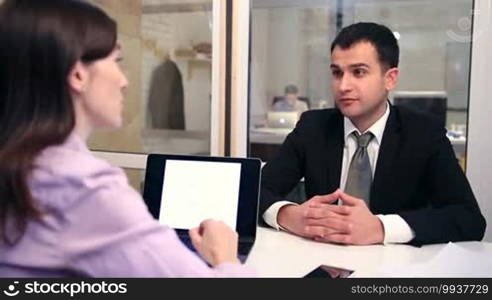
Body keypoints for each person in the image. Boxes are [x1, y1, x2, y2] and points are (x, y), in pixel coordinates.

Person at [0, 0, 253, 277]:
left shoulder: (21, 165)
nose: (124, 81)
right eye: (116, 61)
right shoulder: (84, 189)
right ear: (77, 74)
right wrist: (226, 257)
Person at [260, 22, 486, 246]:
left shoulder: (423, 133)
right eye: (337, 73)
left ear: (390, 78)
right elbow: (257, 190)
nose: (343, 86)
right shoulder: (313, 127)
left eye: (358, 72)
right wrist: (288, 215)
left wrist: (381, 228)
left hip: (394, 271)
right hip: (322, 262)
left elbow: (468, 219)